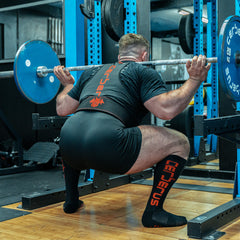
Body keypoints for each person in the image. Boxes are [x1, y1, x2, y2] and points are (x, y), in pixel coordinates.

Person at [54, 33, 211, 228]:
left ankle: (71, 200)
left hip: (68, 144)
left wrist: (68, 85)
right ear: (144, 55)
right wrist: (195, 79)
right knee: (180, 143)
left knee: (77, 131)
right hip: (108, 146)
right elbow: (166, 111)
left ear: (120, 55)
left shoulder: (91, 72)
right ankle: (154, 212)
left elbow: (62, 109)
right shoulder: (143, 72)